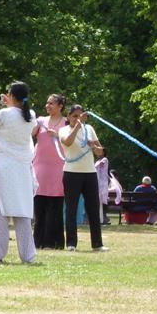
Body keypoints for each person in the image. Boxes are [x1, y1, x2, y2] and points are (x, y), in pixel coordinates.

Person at [0, 83, 37, 264]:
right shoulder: (31, 115)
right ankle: (27, 255)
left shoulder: (4, 114)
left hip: (4, 166)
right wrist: (10, 105)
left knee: (0, 212)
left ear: (11, 95)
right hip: (22, 168)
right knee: (22, 212)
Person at [59, 104, 107, 251]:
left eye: (80, 116)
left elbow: (100, 153)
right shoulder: (64, 130)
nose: (78, 119)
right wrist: (77, 127)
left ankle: (97, 244)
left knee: (93, 209)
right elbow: (67, 142)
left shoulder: (90, 129)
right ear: (68, 117)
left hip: (90, 173)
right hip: (71, 173)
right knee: (71, 209)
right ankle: (71, 244)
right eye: (75, 116)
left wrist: (96, 148)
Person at [32, 94, 67, 249]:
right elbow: (31, 134)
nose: (48, 105)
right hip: (40, 167)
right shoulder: (41, 120)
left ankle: (55, 242)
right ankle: (38, 241)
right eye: (47, 103)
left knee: (56, 206)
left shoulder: (66, 122)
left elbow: (71, 142)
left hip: (59, 168)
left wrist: (58, 135)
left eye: (51, 103)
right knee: (39, 206)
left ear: (60, 106)